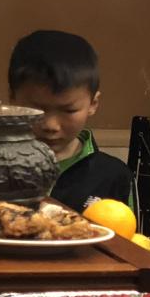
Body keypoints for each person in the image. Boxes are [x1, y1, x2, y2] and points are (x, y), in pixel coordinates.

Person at [8, 30, 132, 213]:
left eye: (69, 110)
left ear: (93, 104)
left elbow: (128, 231)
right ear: (12, 98)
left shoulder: (113, 175)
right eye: (37, 110)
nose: (51, 125)